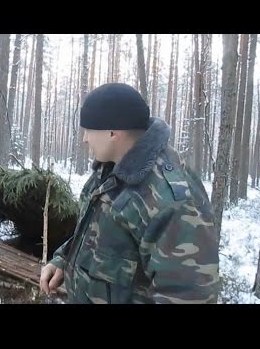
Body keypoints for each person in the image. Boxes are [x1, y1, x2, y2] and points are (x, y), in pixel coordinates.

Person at [40, 83, 220, 304]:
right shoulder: (110, 169)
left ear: (113, 133)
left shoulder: (171, 201)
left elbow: (190, 296)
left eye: (89, 130)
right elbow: (96, 234)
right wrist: (63, 259)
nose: (84, 138)